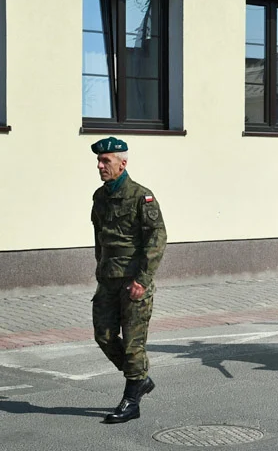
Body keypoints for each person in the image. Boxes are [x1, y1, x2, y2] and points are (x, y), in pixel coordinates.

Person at [90, 137, 167, 424]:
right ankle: (141, 378)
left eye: (106, 161)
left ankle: (132, 400)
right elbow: (100, 238)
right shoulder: (100, 196)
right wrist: (100, 270)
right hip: (108, 279)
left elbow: (157, 239)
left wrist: (143, 280)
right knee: (104, 335)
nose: (100, 166)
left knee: (134, 344)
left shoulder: (141, 196)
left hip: (134, 281)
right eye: (99, 161)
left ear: (123, 164)